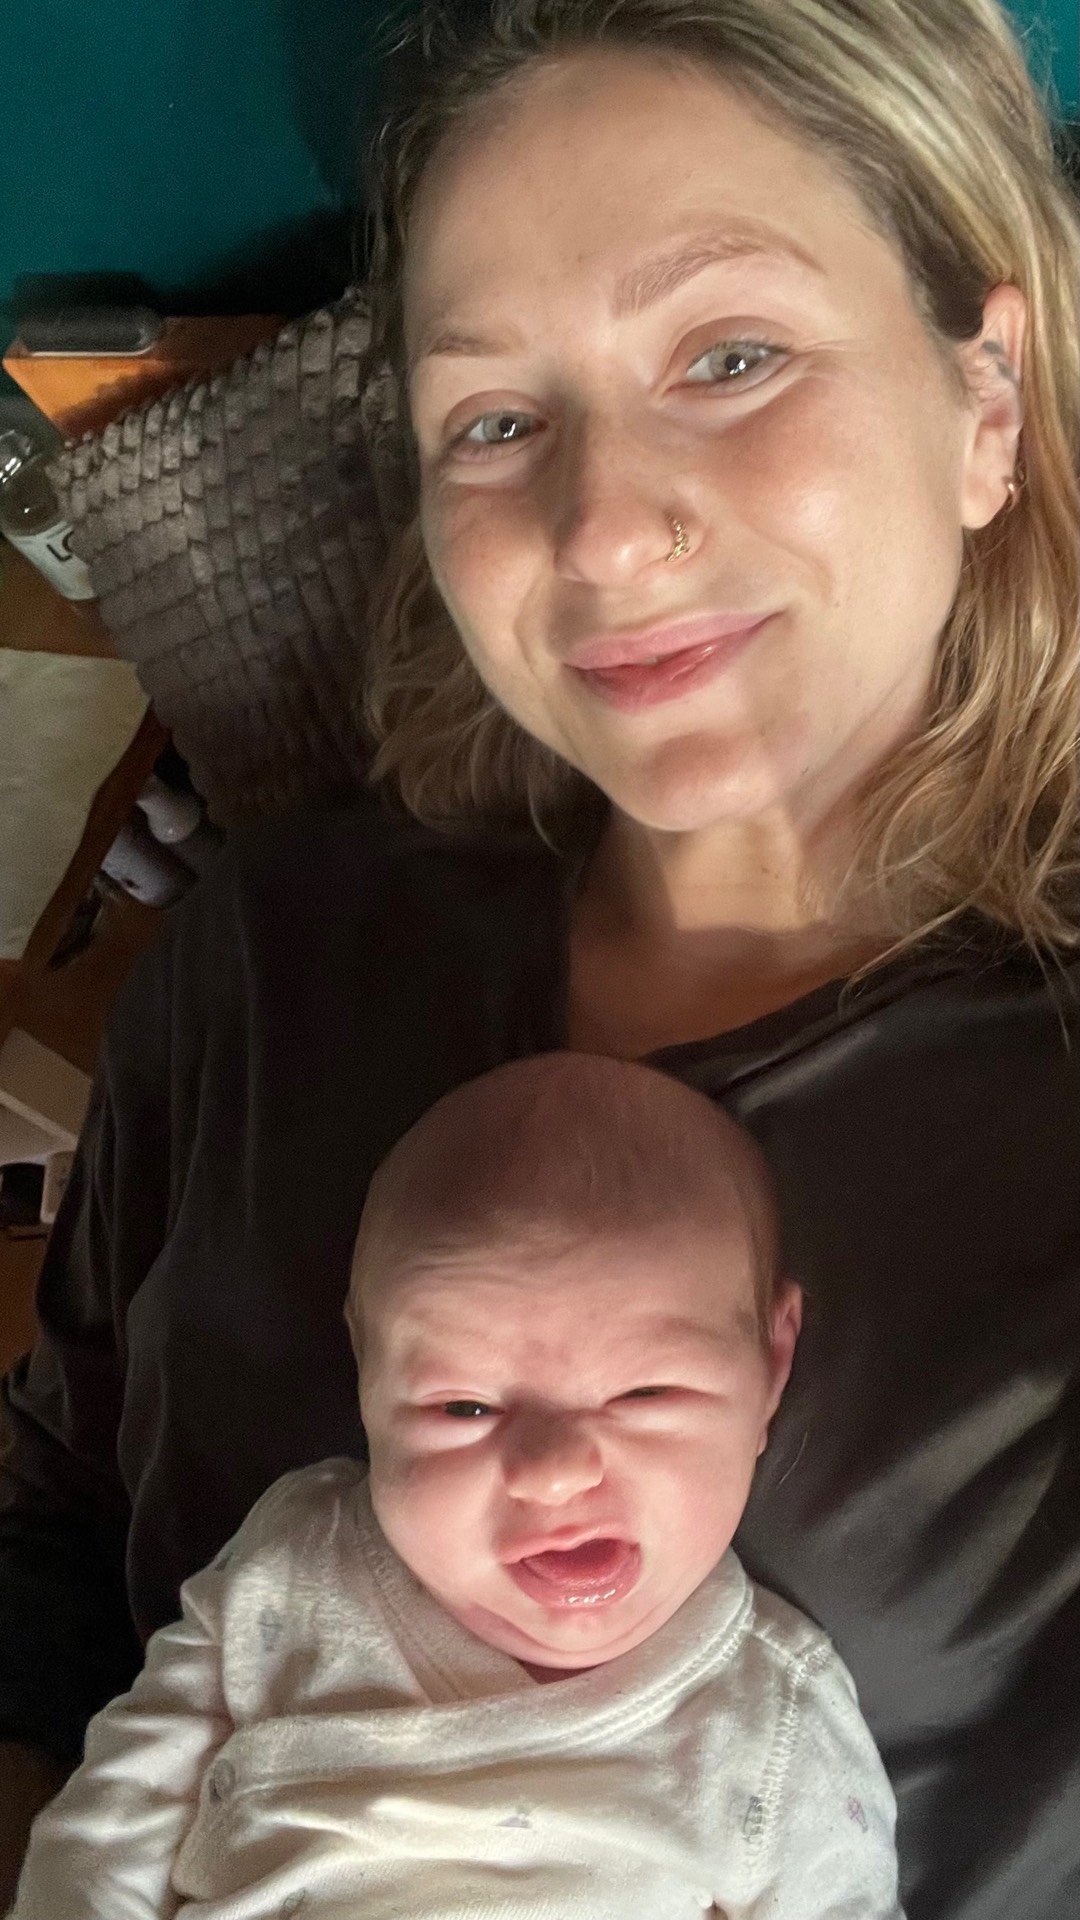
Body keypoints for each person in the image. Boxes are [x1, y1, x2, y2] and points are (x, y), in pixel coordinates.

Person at [0, 2, 1076, 1915]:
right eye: (496, 419)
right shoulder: (272, 951)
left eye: (731, 356)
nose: (601, 530)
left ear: (986, 401)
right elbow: (49, 1544)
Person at [11, 1054, 905, 1919]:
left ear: (770, 1366)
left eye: (646, 1394)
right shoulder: (293, 1565)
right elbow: (111, 1825)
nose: (554, 1473)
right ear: (368, 1374)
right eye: (465, 1407)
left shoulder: (773, 1712)